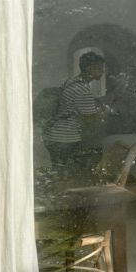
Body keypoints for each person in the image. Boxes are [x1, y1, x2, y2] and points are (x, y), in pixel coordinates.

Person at [44, 51, 111, 181]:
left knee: (58, 172)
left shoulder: (71, 82)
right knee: (66, 175)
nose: (102, 71)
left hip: (55, 135)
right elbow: (89, 121)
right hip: (66, 138)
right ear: (89, 68)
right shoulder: (82, 90)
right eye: (99, 68)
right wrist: (103, 113)